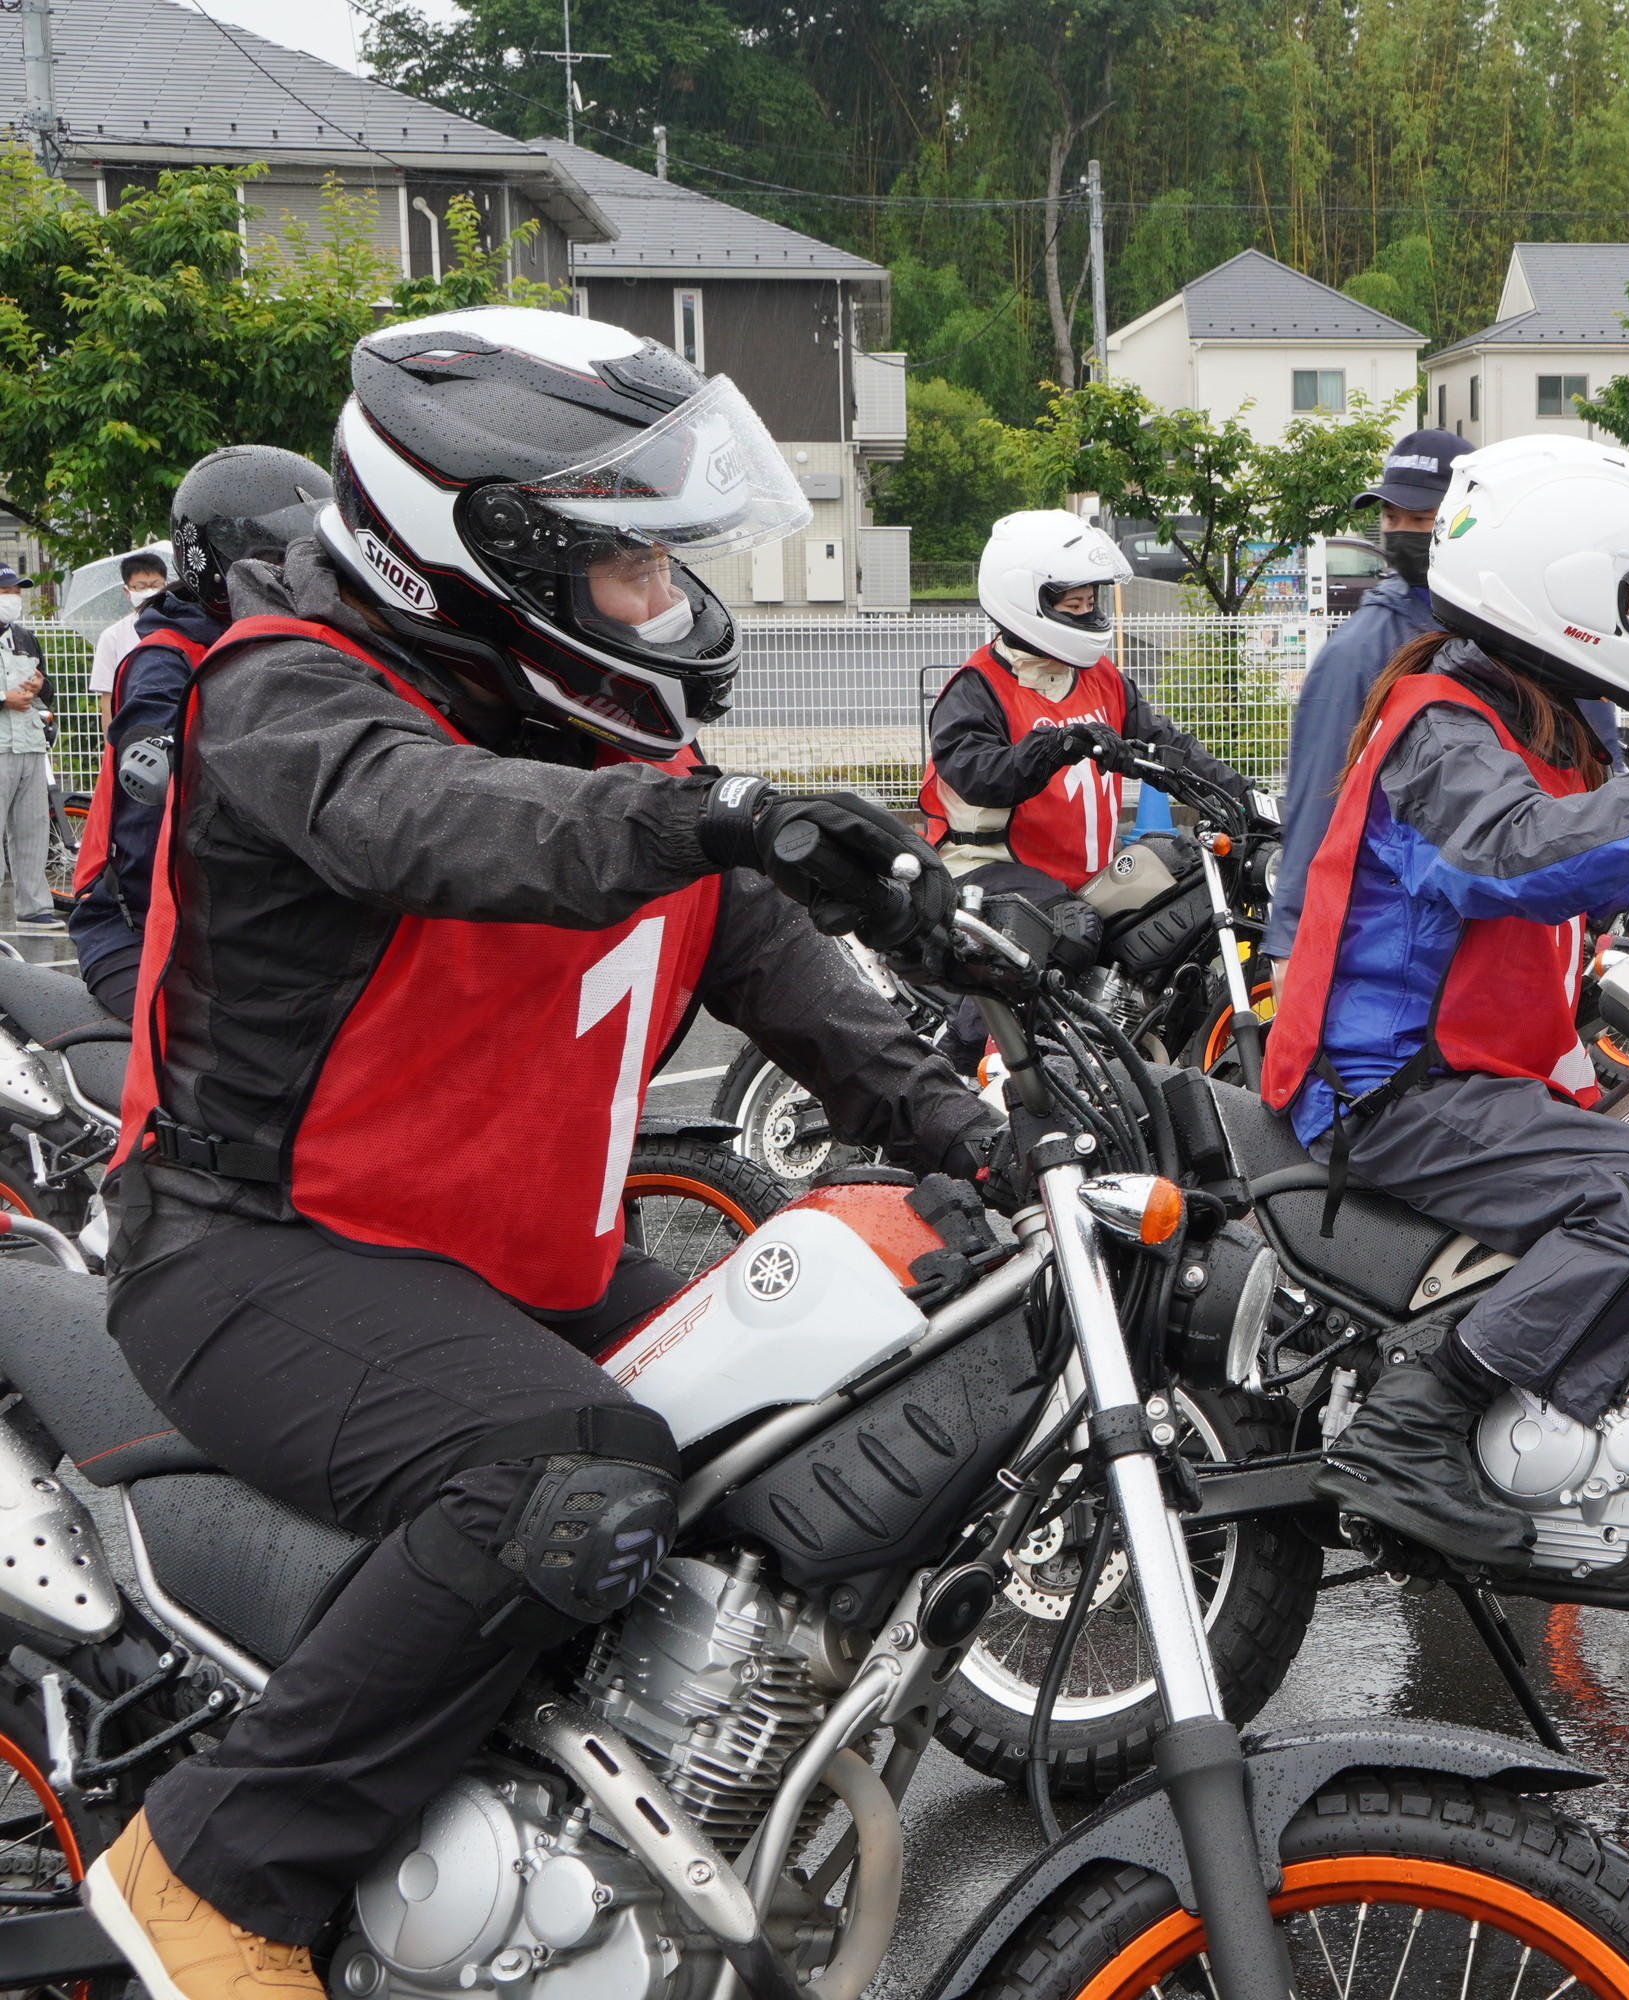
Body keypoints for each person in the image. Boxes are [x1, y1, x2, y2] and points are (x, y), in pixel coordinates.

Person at [82, 307, 1001, 2000]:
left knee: (825, 1393)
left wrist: (981, 1124)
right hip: (248, 1253)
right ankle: (216, 1869)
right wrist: (713, 811)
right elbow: (438, 819)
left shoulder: (614, 749)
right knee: (565, 1468)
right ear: (480, 556)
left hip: (505, 1257)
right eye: (634, 571)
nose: (667, 604)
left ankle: (572, 1801)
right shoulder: (288, 696)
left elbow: (784, 974)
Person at [1264, 436, 1629, 1568]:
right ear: (1557, 586)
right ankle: (1413, 1428)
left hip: (1480, 1073)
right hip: (1389, 1084)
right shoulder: (1439, 721)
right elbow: (1509, 854)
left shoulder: (1550, 720)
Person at [65, 448, 331, 1020]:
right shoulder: (168, 661)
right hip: (136, 928)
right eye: (281, 555)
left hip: (241, 922)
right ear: (221, 559)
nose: (304, 571)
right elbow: (146, 829)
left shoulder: (285, 643)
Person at [917, 508, 1246, 903]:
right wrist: (1053, 747)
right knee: (1074, 931)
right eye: (1074, 606)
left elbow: (1168, 745)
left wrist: (1246, 796)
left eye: (1091, 602)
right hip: (989, 870)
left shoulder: (1101, 677)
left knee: (1182, 913)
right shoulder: (978, 687)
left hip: (1086, 877)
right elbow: (979, 776)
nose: (1088, 614)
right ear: (1023, 601)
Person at [1267, 426, 1468, 956]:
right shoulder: (1361, 650)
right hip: (1397, 938)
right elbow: (1317, 799)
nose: (1401, 532)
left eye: (1421, 519)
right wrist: (1292, 939)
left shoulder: (1513, 625)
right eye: (1390, 517)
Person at [0, 569, 52, 931]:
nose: (12, 597)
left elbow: (46, 692)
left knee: (33, 827)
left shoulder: (24, 636)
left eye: (16, 590)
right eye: (5, 590)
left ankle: (34, 908)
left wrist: (39, 686)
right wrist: (4, 699)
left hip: (30, 744)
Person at [90, 550, 169, 715]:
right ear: (127, 591)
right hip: (131, 724)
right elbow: (107, 697)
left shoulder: (180, 626)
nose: (149, 592)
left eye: (155, 585)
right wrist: (109, 740)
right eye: (141, 587)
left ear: (166, 586)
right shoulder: (112, 637)